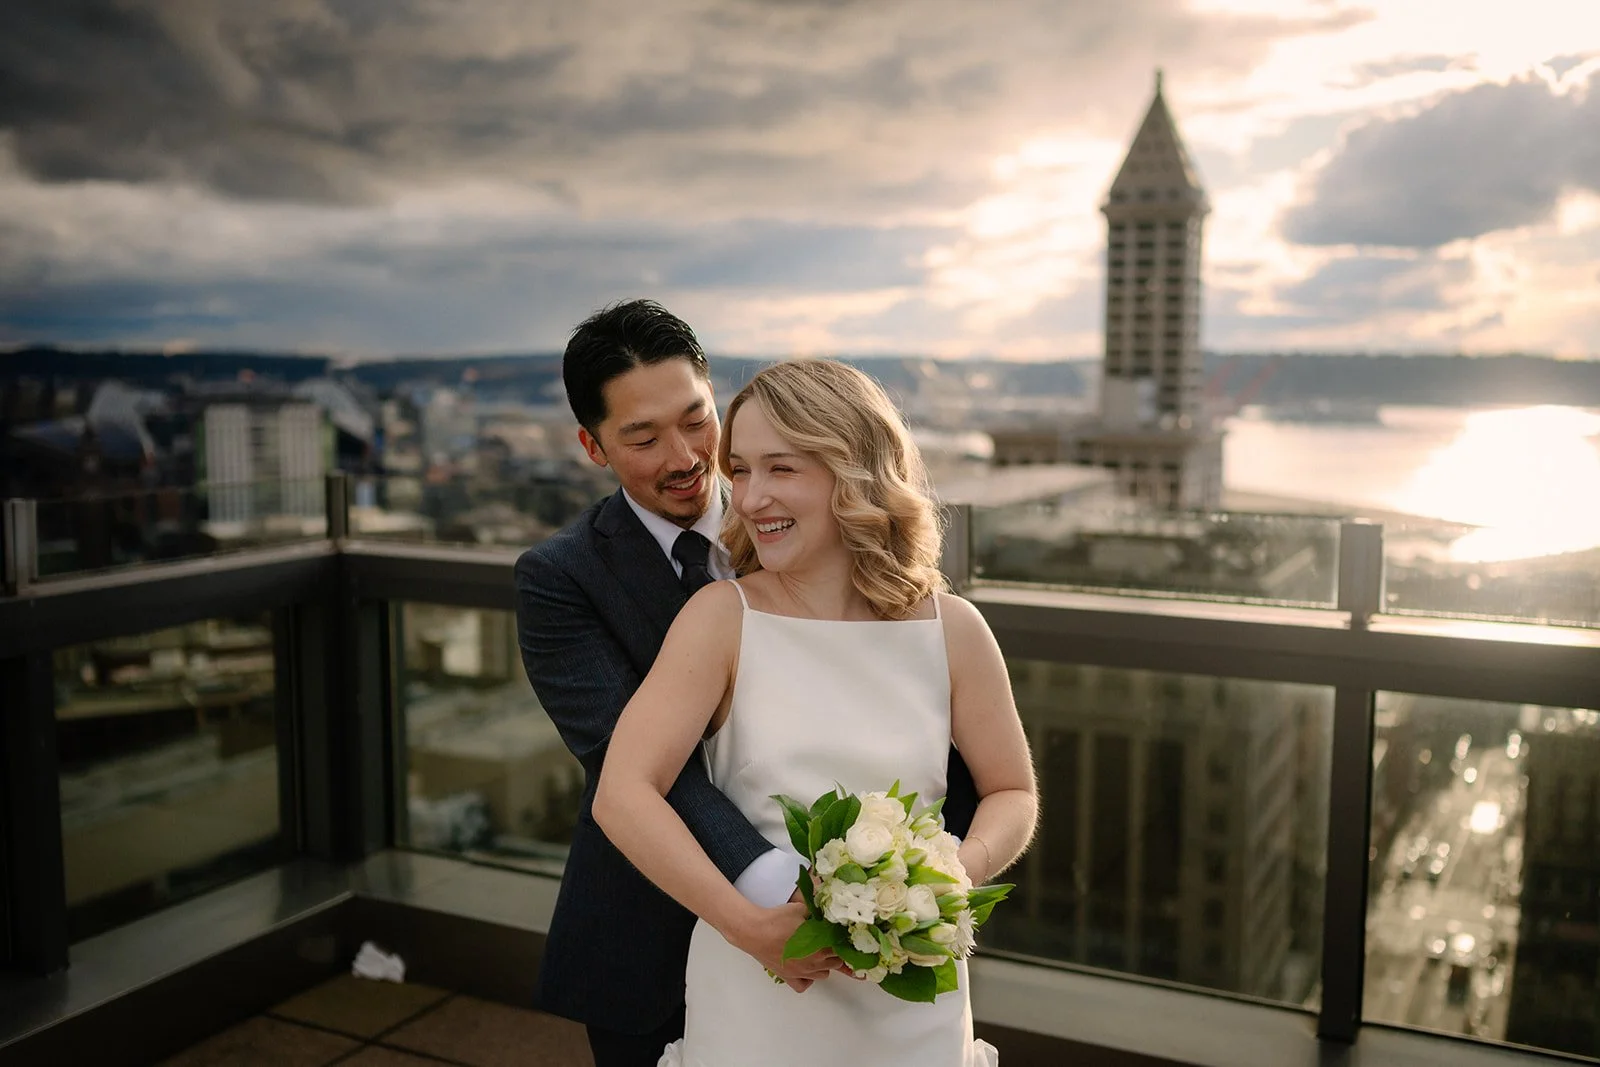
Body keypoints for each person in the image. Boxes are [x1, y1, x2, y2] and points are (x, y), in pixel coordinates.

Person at [515, 302, 977, 1067]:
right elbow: (633, 764)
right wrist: (777, 892)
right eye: (642, 436)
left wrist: (916, 881)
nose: (686, 455)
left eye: (697, 420)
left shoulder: (819, 522)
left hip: (873, 928)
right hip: (649, 923)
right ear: (592, 445)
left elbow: (926, 713)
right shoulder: (560, 578)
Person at [594, 358, 1038, 1067]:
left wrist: (952, 873)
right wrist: (749, 927)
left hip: (911, 994)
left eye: (782, 468)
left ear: (853, 472)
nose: (748, 497)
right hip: (759, 992)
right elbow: (623, 794)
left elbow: (1013, 790)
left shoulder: (953, 628)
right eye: (739, 469)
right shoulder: (720, 618)